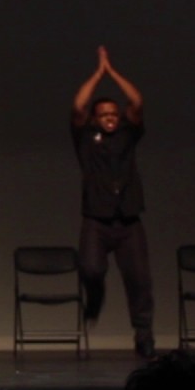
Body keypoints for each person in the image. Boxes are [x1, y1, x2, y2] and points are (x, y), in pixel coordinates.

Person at [70, 45, 155, 358]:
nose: (110, 119)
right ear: (95, 118)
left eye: (113, 115)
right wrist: (98, 74)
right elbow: (79, 106)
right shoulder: (85, 138)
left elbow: (136, 101)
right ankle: (95, 298)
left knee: (140, 281)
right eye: (103, 115)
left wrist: (113, 73)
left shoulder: (127, 135)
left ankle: (144, 336)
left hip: (129, 221)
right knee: (91, 269)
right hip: (96, 219)